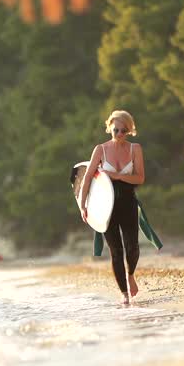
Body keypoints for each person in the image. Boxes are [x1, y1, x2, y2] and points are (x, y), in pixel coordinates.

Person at [78, 110, 145, 305]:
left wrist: (118, 176)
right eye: (116, 129)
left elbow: (140, 178)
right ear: (110, 128)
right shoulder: (100, 149)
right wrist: (83, 206)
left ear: (130, 130)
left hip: (128, 203)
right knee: (116, 250)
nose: (120, 133)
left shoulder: (135, 149)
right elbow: (87, 177)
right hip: (105, 207)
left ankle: (130, 273)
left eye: (124, 130)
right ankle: (124, 294)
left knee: (132, 247)